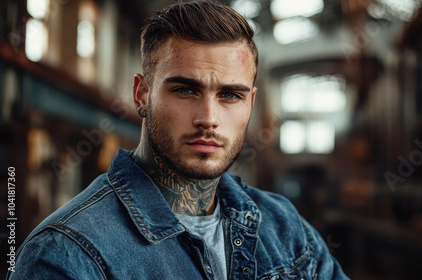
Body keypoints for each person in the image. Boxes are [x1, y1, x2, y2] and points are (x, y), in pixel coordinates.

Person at [8, 1, 349, 279]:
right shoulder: (66, 256)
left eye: (230, 95)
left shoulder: (285, 229)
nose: (208, 119)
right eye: (185, 90)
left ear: (251, 104)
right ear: (142, 94)